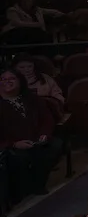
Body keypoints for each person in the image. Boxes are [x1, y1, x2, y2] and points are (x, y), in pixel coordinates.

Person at [0, 68, 61, 205]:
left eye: (11, 79)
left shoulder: (32, 98)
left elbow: (47, 119)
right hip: (10, 144)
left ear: (20, 81)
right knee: (19, 157)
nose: (6, 82)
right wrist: (14, 144)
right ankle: (21, 190)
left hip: (36, 139)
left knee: (55, 146)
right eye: (3, 79)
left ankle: (38, 185)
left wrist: (44, 134)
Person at [12, 54, 64, 119]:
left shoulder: (45, 78)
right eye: (22, 67)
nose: (26, 70)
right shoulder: (8, 80)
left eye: (30, 66)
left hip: (45, 113)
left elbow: (58, 96)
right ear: (15, 67)